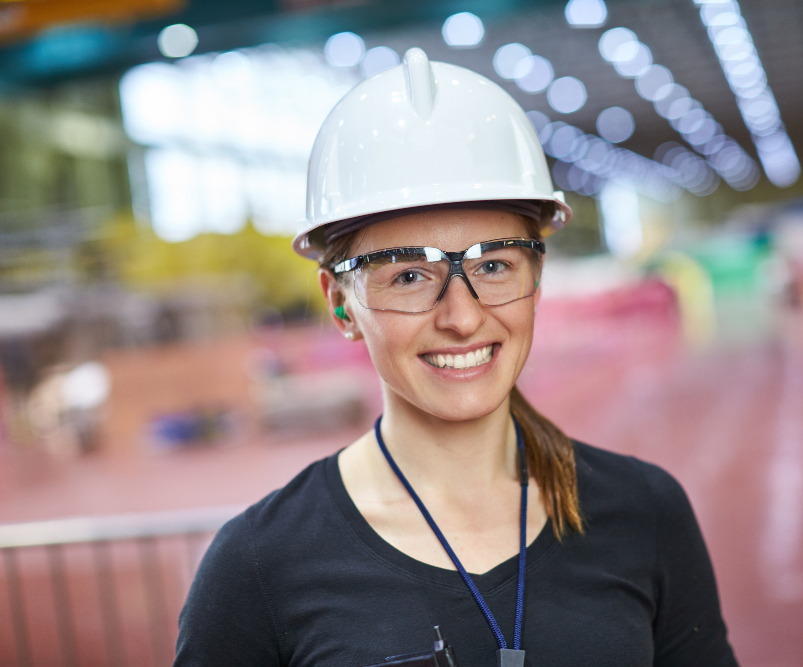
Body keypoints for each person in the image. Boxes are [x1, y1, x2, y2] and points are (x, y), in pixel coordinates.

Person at [175, 48, 738, 667]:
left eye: (493, 266)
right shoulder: (261, 566)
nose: (463, 317)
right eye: (409, 277)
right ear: (340, 305)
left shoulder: (644, 512)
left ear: (538, 277)